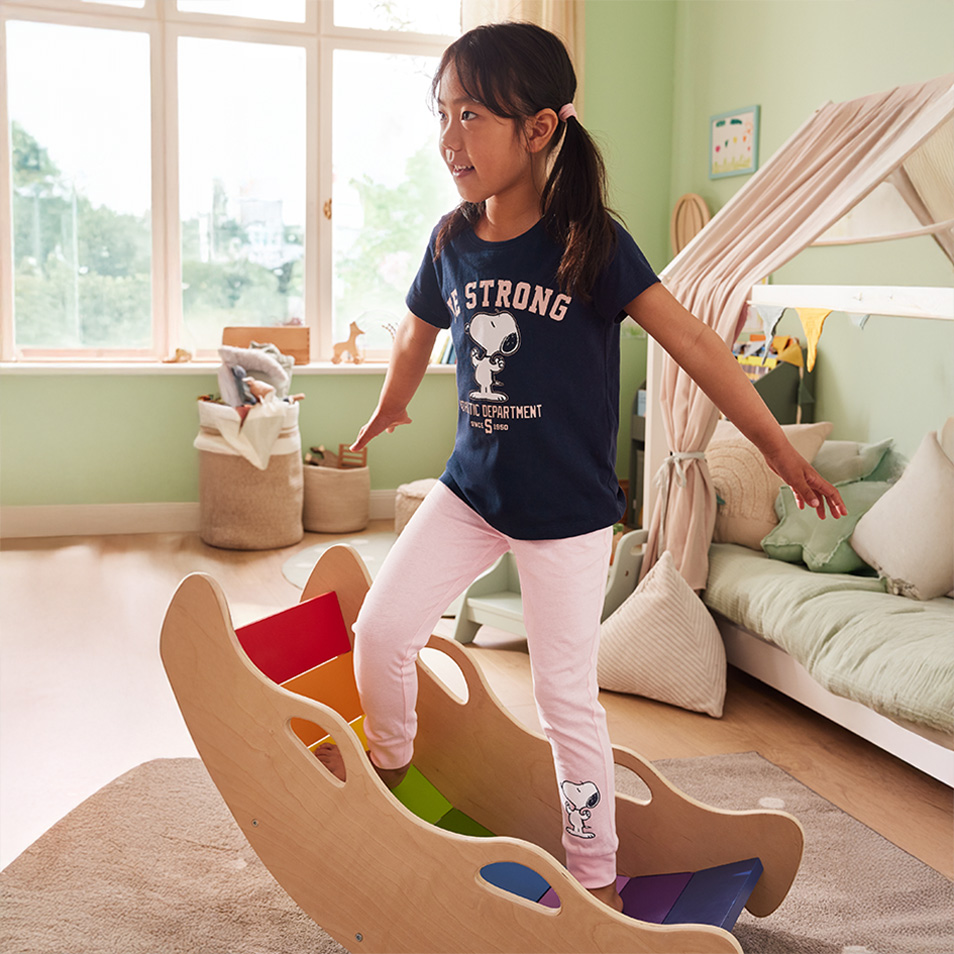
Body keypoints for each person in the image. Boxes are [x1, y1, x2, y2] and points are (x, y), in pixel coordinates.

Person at [317, 21, 846, 912]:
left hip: (567, 513)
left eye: (472, 115)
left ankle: (594, 871)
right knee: (379, 631)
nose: (450, 138)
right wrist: (394, 401)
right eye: (441, 114)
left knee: (567, 700)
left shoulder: (589, 243)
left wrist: (780, 449)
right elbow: (418, 324)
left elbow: (698, 347)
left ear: (540, 129)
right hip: (471, 491)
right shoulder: (451, 239)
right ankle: (392, 772)